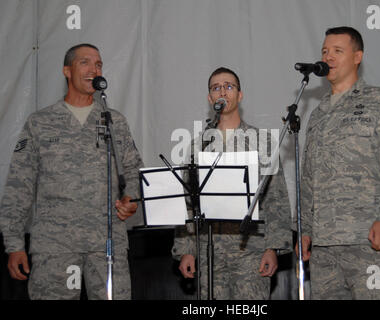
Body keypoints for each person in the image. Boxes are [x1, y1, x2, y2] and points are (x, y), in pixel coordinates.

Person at [0, 43, 144, 300]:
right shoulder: (40, 122)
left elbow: (134, 170)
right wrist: (14, 244)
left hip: (106, 245)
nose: (94, 69)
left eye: (98, 64)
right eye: (85, 62)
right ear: (67, 71)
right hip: (55, 247)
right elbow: (19, 185)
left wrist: (131, 199)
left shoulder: (113, 121)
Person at [296, 27, 380, 299]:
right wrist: (304, 229)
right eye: (325, 51)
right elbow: (308, 178)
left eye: (337, 51)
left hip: (369, 242)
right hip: (325, 249)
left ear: (357, 57)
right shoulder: (317, 114)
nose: (328, 57)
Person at [172, 67, 292, 300]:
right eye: (216, 88)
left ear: (240, 95)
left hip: (251, 248)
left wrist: (273, 247)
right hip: (209, 252)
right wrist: (186, 249)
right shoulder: (198, 145)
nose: (223, 92)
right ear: (210, 98)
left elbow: (277, 198)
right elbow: (188, 202)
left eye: (229, 86)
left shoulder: (263, 142)